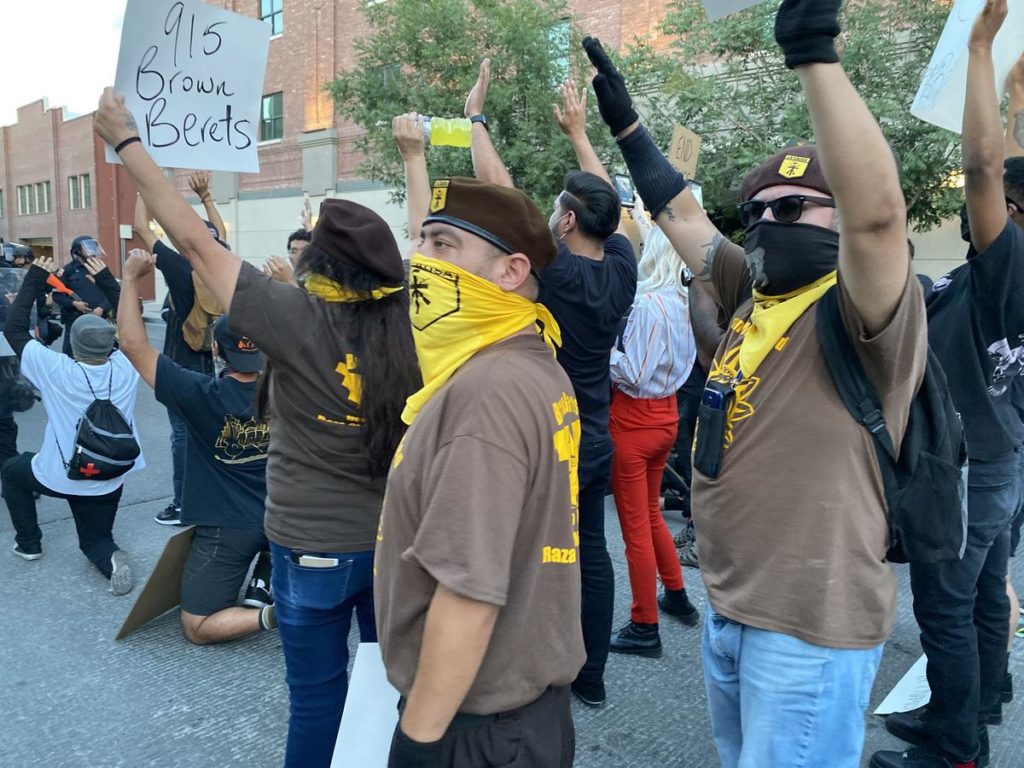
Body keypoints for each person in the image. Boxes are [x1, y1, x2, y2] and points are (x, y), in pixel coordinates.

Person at [585, 0, 927, 762]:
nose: (768, 220)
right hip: (732, 607)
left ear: (839, 219)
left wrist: (813, 52)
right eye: (756, 210)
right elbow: (680, 212)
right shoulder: (753, 289)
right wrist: (627, 131)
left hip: (808, 626)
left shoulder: (864, 307)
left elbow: (876, 218)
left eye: (794, 206)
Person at [94, 89, 421, 768]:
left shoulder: (291, 317)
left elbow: (190, 237)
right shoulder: (413, 321)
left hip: (311, 548)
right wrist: (415, 159)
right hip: (390, 543)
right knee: (386, 686)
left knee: (316, 702)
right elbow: (423, 244)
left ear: (318, 264)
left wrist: (127, 142)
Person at [375, 175, 584, 768]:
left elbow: (468, 591)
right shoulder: (523, 360)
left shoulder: (486, 392)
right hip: (515, 718)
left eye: (443, 245)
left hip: (472, 730)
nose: (420, 261)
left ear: (511, 273)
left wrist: (417, 743)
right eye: (421, 241)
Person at [873, 6, 1024, 766]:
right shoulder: (991, 276)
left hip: (971, 470)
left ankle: (955, 751)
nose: (978, 212)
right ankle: (974, 704)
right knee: (985, 596)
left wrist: (978, 50)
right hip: (998, 462)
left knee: (945, 612)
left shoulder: (1012, 267)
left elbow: (986, 165)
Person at [467, 62, 637, 708]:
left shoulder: (558, 272)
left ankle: (533, 666)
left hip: (551, 431)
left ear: (564, 223)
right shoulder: (620, 268)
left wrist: (476, 117)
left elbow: (502, 191)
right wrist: (580, 135)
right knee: (591, 550)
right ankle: (590, 679)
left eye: (560, 209)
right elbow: (611, 206)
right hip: (597, 434)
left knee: (539, 552)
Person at [116, 248, 276, 644]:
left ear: (217, 351)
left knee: (198, 627)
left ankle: (279, 615)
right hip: (289, 518)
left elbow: (134, 347)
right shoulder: (295, 387)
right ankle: (270, 572)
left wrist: (130, 279)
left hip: (228, 525)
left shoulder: (199, 393)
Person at [2, 254, 143, 595]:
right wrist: (110, 280)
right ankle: (109, 556)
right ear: (110, 344)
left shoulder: (57, 369)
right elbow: (131, 325)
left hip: (60, 473)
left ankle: (29, 544)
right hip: (109, 473)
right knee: (96, 540)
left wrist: (36, 276)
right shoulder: (126, 366)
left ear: (74, 345)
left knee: (11, 471)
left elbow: (13, 329)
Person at [608, 223, 699, 659]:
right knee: (649, 515)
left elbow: (633, 372)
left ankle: (644, 623)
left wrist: (600, 355)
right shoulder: (684, 304)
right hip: (666, 416)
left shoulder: (647, 304)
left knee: (635, 530)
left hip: (633, 421)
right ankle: (676, 594)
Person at [133, 187, 223, 527]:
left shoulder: (181, 268)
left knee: (182, 436)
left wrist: (144, 188)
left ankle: (184, 504)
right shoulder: (221, 261)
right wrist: (206, 197)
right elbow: (221, 233)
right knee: (210, 432)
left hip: (181, 366)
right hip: (216, 364)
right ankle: (212, 495)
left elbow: (140, 226)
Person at [52, 236, 121, 358]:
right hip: (75, 321)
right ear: (78, 251)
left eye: (94, 247)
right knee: (72, 355)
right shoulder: (67, 271)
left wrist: (101, 308)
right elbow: (57, 296)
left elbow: (111, 292)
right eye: (88, 248)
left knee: (104, 354)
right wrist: (74, 304)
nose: (92, 251)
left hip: (101, 320)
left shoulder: (99, 268)